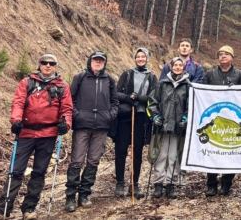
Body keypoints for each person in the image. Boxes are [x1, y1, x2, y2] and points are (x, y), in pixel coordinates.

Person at [0, 54, 73, 219]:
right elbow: (18, 103)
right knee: (15, 171)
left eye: (51, 63)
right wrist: (16, 120)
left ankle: (29, 209)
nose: (48, 66)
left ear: (56, 66)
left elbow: (66, 109)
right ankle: (3, 209)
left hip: (48, 134)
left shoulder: (62, 86)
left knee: (39, 172)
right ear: (40, 65)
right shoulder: (26, 82)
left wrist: (66, 123)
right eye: (45, 63)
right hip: (26, 132)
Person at [65, 51, 118, 212]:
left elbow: (115, 102)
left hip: (101, 127)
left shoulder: (109, 80)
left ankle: (84, 194)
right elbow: (70, 99)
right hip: (82, 125)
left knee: (93, 160)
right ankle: (70, 197)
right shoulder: (80, 77)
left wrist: (109, 116)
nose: (98, 62)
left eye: (101, 60)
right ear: (90, 61)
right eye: (95, 60)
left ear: (104, 63)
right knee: (77, 161)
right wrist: (77, 115)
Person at [202, 45, 241, 196]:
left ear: (232, 57)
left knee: (230, 151)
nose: (223, 56)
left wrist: (238, 90)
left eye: (226, 54)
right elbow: (201, 93)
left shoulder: (240, 75)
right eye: (220, 54)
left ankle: (226, 183)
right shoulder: (209, 74)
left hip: (232, 120)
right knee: (212, 151)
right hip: (214, 119)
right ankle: (211, 184)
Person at [113, 48, 158, 198]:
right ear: (134, 58)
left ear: (147, 58)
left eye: (143, 56)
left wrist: (140, 98)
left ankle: (134, 184)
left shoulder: (152, 77)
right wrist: (127, 98)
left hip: (141, 118)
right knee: (121, 150)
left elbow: (154, 97)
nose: (140, 59)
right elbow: (116, 93)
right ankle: (120, 183)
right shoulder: (127, 73)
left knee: (137, 151)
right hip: (125, 116)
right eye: (138, 56)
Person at [149, 57, 190, 199]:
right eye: (175, 65)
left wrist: (186, 118)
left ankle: (171, 184)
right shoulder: (162, 84)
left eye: (180, 65)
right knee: (161, 155)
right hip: (162, 126)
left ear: (184, 67)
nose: (177, 67)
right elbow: (153, 102)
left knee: (174, 156)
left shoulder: (188, 86)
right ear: (171, 66)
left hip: (178, 128)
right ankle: (158, 183)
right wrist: (155, 116)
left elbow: (190, 106)